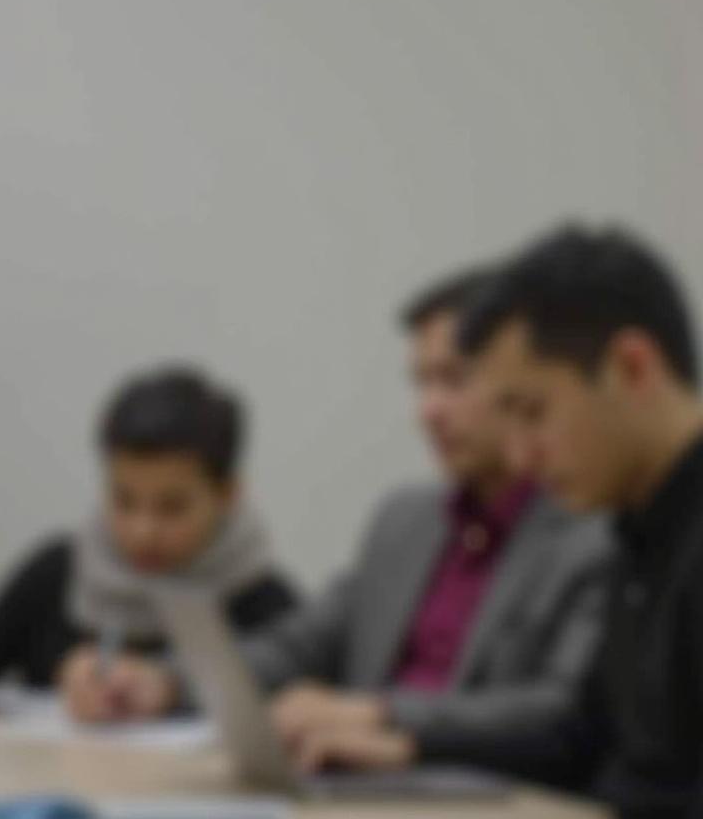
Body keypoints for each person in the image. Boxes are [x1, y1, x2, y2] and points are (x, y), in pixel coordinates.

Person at [83, 269, 610, 770]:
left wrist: (381, 716)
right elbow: (298, 646)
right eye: (421, 383)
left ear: (515, 382)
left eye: (454, 380)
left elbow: (560, 712)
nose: (429, 409)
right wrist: (165, 683)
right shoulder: (405, 521)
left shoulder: (589, 532)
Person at [449, 226, 703, 819]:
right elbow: (583, 736)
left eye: (532, 411)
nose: (519, 457)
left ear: (633, 368)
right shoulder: (636, 529)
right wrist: (401, 741)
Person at [0, 366, 299, 720]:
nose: (142, 531)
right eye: (123, 500)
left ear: (227, 495)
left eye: (172, 507)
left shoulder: (267, 606)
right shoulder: (57, 572)